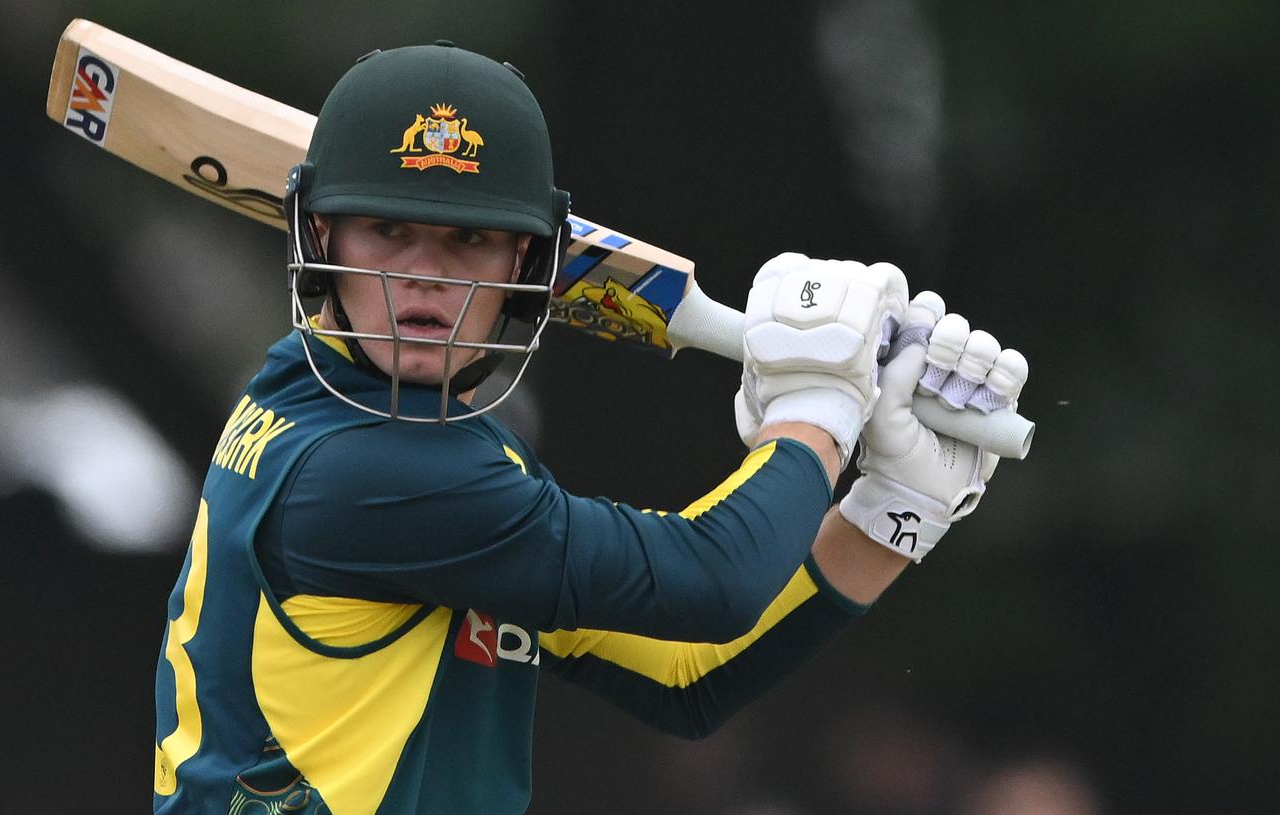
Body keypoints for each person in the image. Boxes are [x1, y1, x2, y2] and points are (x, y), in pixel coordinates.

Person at [151, 41, 1028, 815]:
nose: (423, 277)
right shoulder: (368, 469)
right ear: (321, 234)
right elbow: (709, 582)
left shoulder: (379, 422)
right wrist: (822, 408)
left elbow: (690, 673)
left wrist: (893, 510)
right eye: (388, 230)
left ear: (528, 262)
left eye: (469, 241)